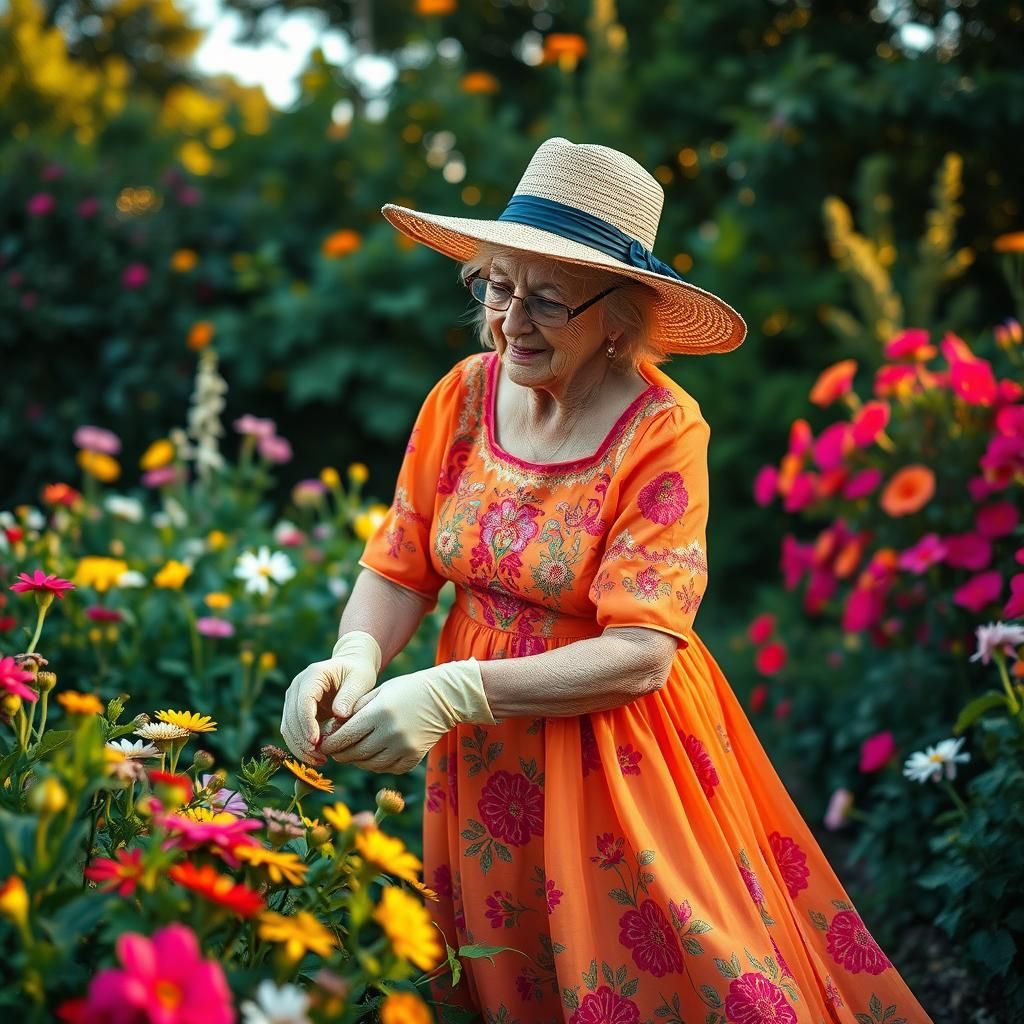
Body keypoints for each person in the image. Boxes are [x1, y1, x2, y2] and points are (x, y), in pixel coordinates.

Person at [280, 138, 934, 1023]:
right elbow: (400, 565)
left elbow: (640, 653)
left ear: (620, 319)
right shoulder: (462, 396)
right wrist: (354, 657)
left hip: (615, 755)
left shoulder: (664, 430)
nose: (512, 320)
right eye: (498, 285)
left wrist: (455, 689)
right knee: (510, 975)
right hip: (481, 761)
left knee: (680, 976)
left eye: (547, 297)